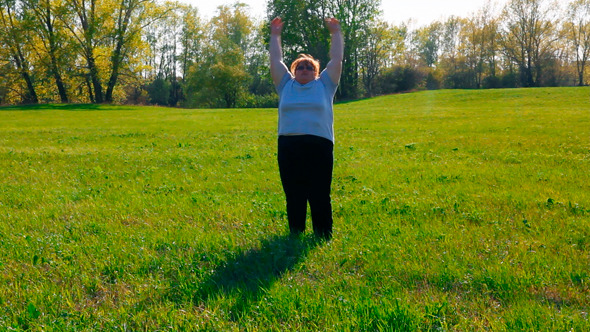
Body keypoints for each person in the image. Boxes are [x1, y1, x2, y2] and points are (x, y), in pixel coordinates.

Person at [269, 16, 344, 239]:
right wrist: (275, 36)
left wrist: (336, 33)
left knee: (320, 192)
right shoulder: (285, 85)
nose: (304, 69)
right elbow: (275, 60)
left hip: (319, 145)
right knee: (294, 193)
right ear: (293, 71)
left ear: (316, 72)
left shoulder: (325, 84)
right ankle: (295, 234)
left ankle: (323, 235)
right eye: (299, 66)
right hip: (289, 145)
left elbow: (337, 60)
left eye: (309, 67)